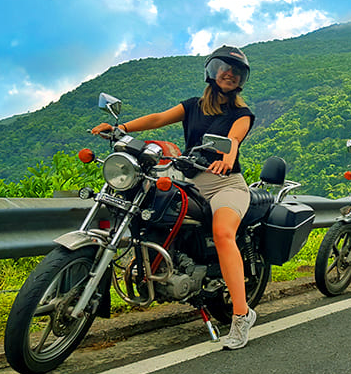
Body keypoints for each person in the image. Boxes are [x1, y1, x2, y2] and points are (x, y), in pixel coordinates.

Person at [91, 45, 257, 350]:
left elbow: (233, 139)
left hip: (225, 184)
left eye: (236, 71)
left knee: (223, 234)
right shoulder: (192, 106)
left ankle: (241, 315)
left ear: (241, 79)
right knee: (146, 204)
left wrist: (226, 158)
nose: (230, 74)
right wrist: (120, 129)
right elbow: (157, 118)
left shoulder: (242, 113)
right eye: (225, 67)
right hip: (188, 179)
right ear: (212, 70)